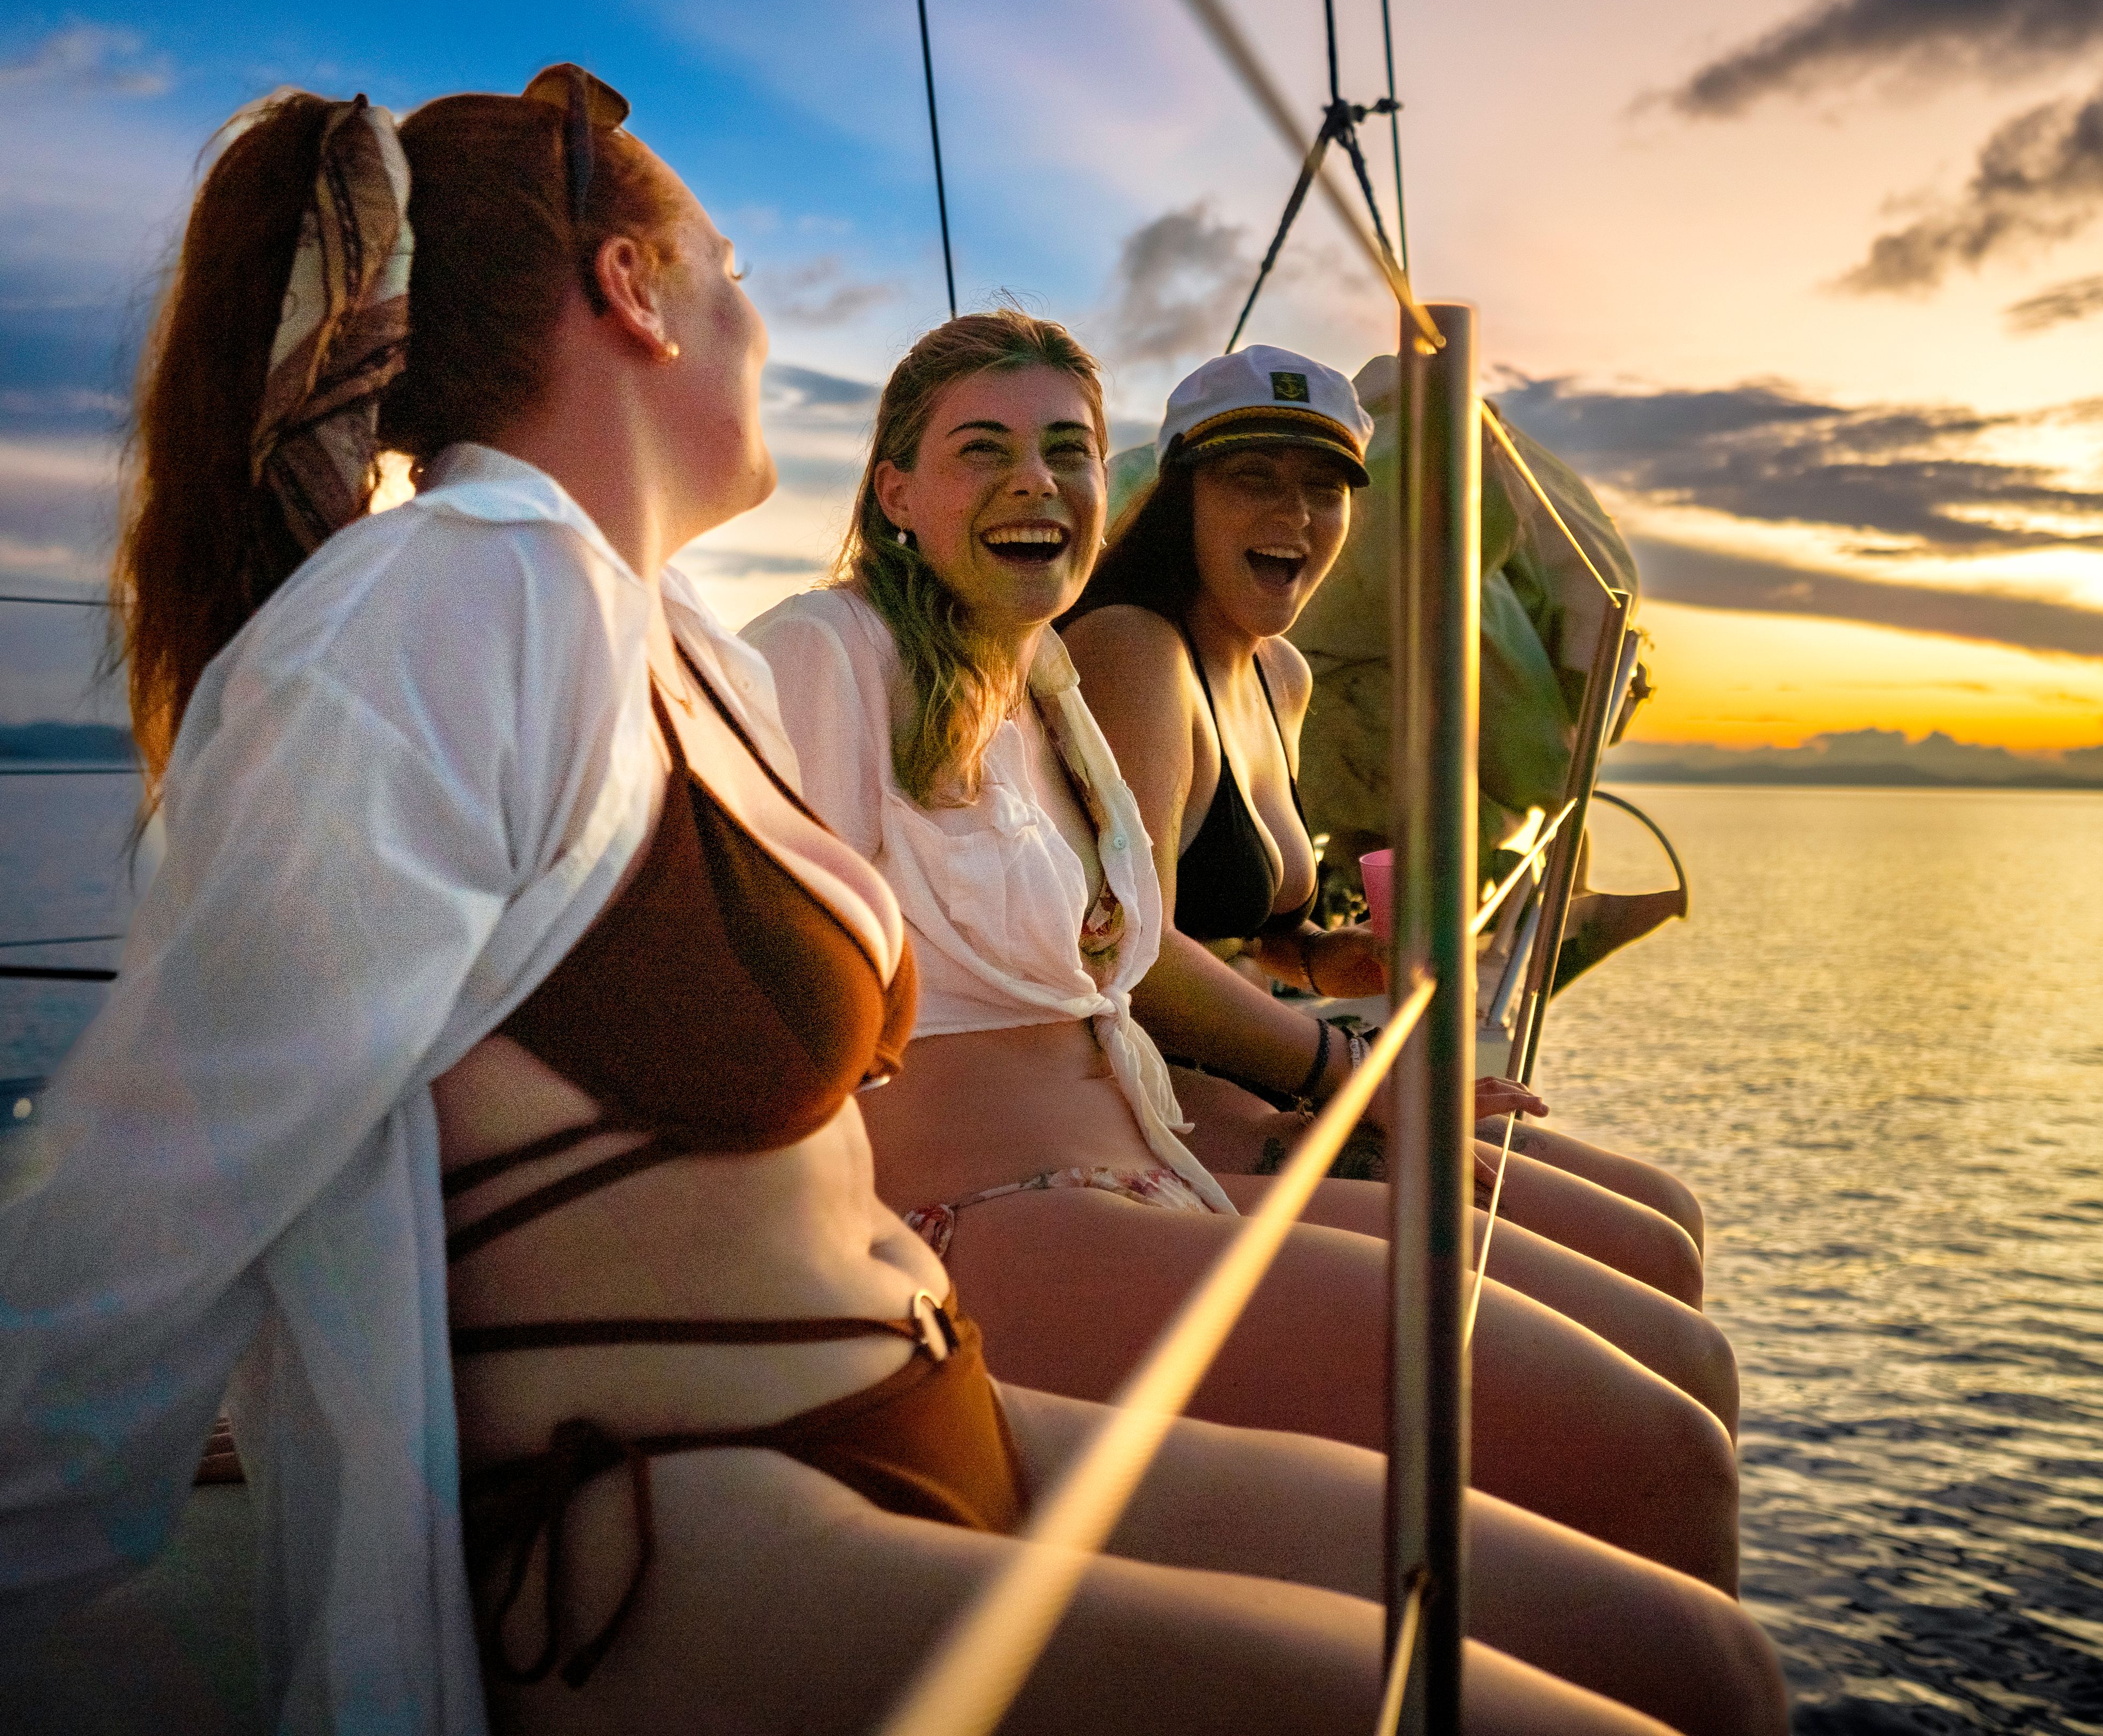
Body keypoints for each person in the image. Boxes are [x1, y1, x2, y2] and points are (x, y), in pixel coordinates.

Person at [0, 76, 1782, 1735]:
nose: (755, 322)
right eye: (728, 277)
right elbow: (126, 1227)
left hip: (933, 1406)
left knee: (1687, 1660)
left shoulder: (666, 639)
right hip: (693, 1535)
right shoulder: (452, 605)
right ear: (632, 288)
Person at [744, 314, 1744, 1592]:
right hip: (994, 1213)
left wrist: (1337, 983)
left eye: (1067, 450)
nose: (1035, 481)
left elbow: (1117, 955)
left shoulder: (1042, 684)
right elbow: (767, 986)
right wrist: (1340, 1073)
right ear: (895, 491)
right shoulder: (846, 652)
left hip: (1147, 1152)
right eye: (981, 448)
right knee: (1656, 1436)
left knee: (1666, 1324)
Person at [1059, 347, 1720, 1323]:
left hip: (1261, 1065)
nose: (1295, 515)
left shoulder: (1280, 675)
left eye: (1326, 489)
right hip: (1148, 1092)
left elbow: (1253, 930)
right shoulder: (1134, 650)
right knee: (1643, 1289)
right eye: (1255, 480)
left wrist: (1338, 960)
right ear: (1181, 494)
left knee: (1668, 1222)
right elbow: (1138, 956)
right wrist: (1357, 1074)